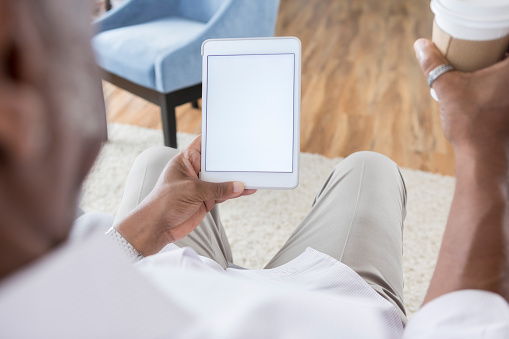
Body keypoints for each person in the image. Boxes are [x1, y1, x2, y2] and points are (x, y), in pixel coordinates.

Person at [0, 0, 508, 338]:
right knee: (370, 167)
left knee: (157, 160)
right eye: (78, 15)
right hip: (311, 302)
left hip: (154, 267)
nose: (95, 17)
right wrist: (483, 155)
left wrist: (146, 224)